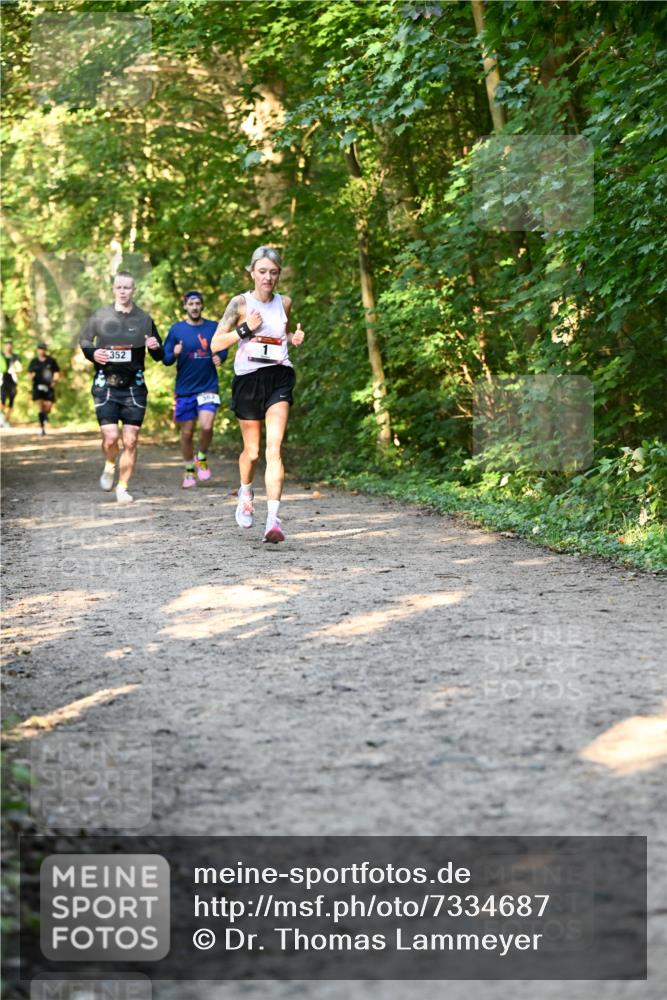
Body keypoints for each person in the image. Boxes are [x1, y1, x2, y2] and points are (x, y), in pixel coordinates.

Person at [211, 246, 305, 543]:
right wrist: (245, 330)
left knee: (274, 449)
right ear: (251, 271)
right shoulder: (239, 304)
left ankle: (273, 521)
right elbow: (215, 345)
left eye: (273, 272)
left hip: (279, 376)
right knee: (251, 453)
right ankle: (246, 491)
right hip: (248, 379)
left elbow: (282, 334)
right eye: (262, 271)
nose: (268, 278)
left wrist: (294, 338)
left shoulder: (284, 302)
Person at [79, 271, 163, 504]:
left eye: (127, 287)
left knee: (131, 440)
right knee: (110, 437)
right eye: (119, 287)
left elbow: (159, 354)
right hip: (105, 384)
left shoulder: (144, 319)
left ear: (134, 290)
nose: (123, 291)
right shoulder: (101, 315)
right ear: (114, 289)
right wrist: (93, 353)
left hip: (134, 387)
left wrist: (155, 347)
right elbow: (84, 339)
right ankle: (109, 464)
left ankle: (123, 487)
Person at [162, 290, 227, 488]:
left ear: (202, 306)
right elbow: (165, 359)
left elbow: (222, 345)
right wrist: (173, 353)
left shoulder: (213, 327)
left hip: (208, 386)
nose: (195, 307)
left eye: (198, 303)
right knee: (187, 433)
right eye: (191, 304)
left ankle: (202, 456)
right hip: (185, 389)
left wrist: (221, 356)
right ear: (185, 307)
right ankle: (189, 471)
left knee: (207, 426)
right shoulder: (176, 330)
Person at [28, 342, 60, 435]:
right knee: (40, 407)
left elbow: (57, 372)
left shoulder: (51, 361)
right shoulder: (34, 361)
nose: (41, 351)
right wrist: (31, 377)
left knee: (48, 407)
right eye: (40, 349)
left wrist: (54, 381)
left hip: (49, 387)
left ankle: (45, 416)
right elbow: (29, 373)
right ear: (37, 350)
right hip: (37, 386)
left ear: (45, 350)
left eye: (43, 349)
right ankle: (42, 427)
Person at [1, 341, 22, 424]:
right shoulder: (1, 356)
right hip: (2, 379)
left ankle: (6, 420)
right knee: (2, 399)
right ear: (4, 347)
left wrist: (14, 369)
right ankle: (1, 417)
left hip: (12, 380)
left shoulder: (15, 357)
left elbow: (19, 368)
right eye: (7, 346)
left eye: (10, 346)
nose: (8, 348)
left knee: (11, 401)